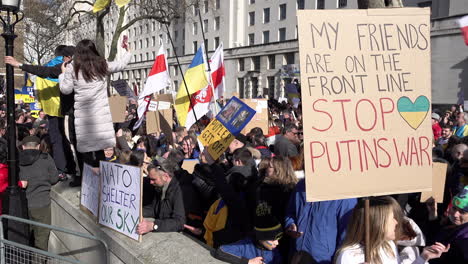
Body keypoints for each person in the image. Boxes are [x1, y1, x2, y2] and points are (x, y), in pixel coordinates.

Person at [59, 39, 131, 184]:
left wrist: (62, 74)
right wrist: (128, 51)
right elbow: (121, 64)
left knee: (85, 152)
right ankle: (101, 183)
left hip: (84, 117)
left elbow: (66, 90)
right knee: (100, 152)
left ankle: (88, 185)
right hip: (100, 117)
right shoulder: (101, 64)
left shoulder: (73, 67)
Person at [6, 45, 78, 182]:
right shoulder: (69, 65)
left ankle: (62, 169)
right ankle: (71, 168)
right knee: (69, 140)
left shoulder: (52, 65)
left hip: (52, 109)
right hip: (67, 109)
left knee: (58, 139)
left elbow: (41, 72)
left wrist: (19, 64)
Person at [335, 196, 450, 264]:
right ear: (377, 224)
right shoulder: (350, 255)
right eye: (392, 218)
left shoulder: (388, 244)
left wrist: (424, 257)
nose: (397, 222)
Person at [284, 179, 356, 263]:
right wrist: (290, 224)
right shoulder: (301, 185)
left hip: (323, 260)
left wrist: (338, 260)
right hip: (296, 256)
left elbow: (347, 235)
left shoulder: (343, 194)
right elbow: (291, 212)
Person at [18, 136, 59, 250]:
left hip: (23, 204)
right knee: (41, 239)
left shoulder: (16, 160)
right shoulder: (46, 158)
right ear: (38, 146)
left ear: (23, 147)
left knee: (23, 238)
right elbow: (54, 179)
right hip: (42, 204)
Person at [214, 205, 283, 264]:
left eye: (278, 239)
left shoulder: (274, 252)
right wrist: (248, 261)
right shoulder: (245, 246)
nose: (277, 243)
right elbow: (220, 252)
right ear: (261, 237)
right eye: (272, 239)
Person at [137, 161, 185, 234]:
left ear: (165, 177)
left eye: (153, 179)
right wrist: (138, 211)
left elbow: (179, 222)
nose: (151, 182)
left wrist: (153, 226)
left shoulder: (179, 191)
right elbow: (155, 210)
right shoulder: (161, 187)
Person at [424, 186, 468, 264]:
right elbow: (434, 237)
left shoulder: (463, 242)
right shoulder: (454, 224)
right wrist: (433, 214)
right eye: (454, 208)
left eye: (462, 212)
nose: (455, 214)